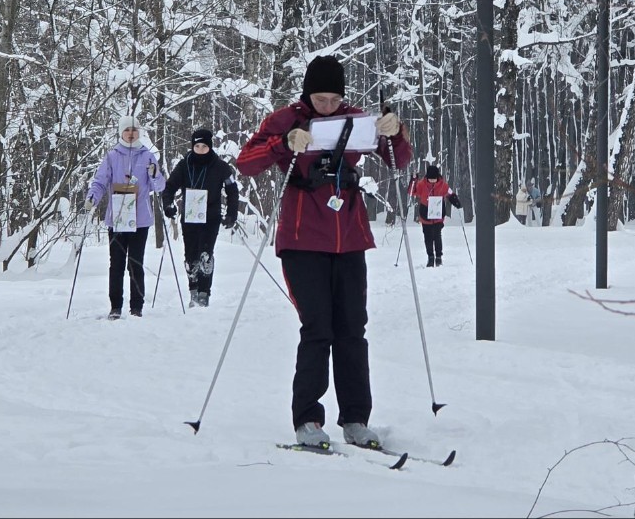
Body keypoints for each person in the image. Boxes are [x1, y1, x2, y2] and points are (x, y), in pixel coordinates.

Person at [236, 55, 412, 449]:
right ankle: (308, 420)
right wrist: (283, 144)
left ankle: (355, 418)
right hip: (302, 239)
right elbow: (246, 162)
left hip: (349, 236)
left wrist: (395, 131)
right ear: (307, 93)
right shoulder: (286, 119)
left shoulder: (356, 119)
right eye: (320, 98)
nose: (328, 106)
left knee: (353, 327)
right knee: (317, 327)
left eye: (334, 98)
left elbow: (398, 159)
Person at [85, 115, 166, 320]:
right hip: (118, 218)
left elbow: (160, 186)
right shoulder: (112, 156)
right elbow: (101, 181)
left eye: (134, 130)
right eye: (127, 130)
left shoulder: (147, 156)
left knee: (135, 263)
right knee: (117, 263)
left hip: (140, 219)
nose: (131, 134)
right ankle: (115, 306)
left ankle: (136, 307)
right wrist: (92, 198)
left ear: (139, 132)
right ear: (121, 133)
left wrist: (155, 173)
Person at [161, 128, 239, 308]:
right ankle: (193, 291)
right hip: (189, 216)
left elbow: (232, 190)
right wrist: (168, 205)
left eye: (204, 146)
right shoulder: (184, 165)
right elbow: (170, 187)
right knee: (190, 256)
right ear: (192, 146)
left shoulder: (220, 166)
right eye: (197, 146)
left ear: (210, 147)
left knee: (205, 255)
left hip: (210, 216)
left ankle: (204, 293)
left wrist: (231, 214)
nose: (201, 149)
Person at [414, 165, 462, 266]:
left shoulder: (443, 185)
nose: (432, 181)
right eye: (430, 179)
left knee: (437, 236)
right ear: (427, 177)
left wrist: (455, 200)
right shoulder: (422, 184)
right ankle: (430, 257)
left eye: (434, 179)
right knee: (428, 237)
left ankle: (438, 257)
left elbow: (450, 193)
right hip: (425, 216)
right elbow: (414, 192)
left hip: (438, 216)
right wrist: (413, 181)